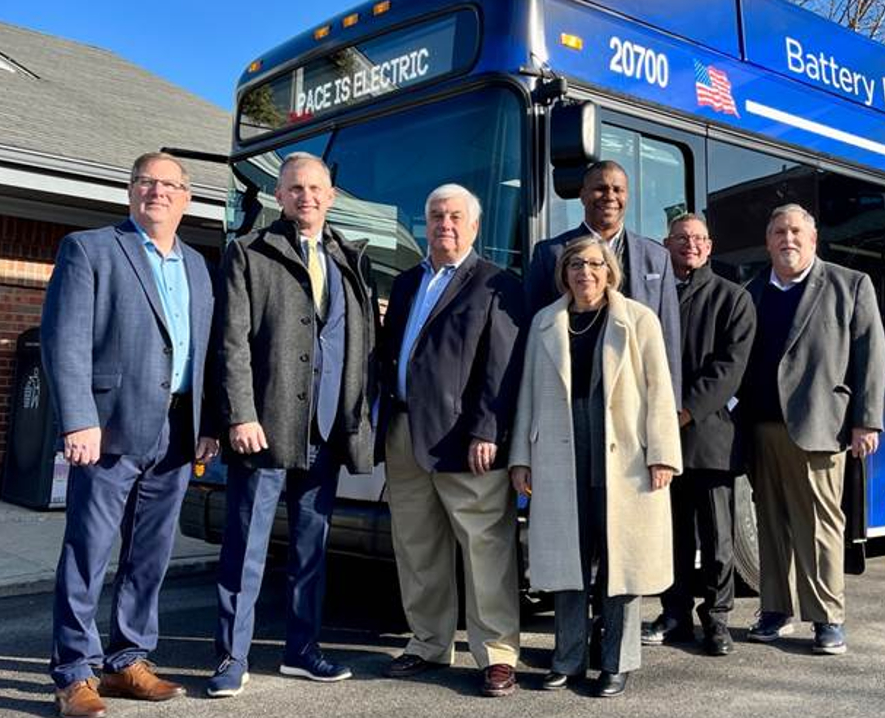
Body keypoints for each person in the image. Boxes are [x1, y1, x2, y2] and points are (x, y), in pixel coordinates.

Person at [41, 152, 218, 718]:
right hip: (108, 428)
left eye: (170, 185)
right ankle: (74, 673)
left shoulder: (197, 265)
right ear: (130, 191)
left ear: (187, 198)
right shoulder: (90, 249)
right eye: (147, 182)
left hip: (178, 429)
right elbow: (64, 339)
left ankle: (127, 662)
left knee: (150, 556)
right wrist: (77, 418)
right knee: (88, 552)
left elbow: (207, 352)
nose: (158, 192)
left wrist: (209, 423)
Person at [208, 152, 377, 697]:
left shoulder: (351, 258)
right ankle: (231, 658)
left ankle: (302, 652)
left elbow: (361, 343)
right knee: (246, 549)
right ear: (279, 197)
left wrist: (357, 416)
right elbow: (230, 341)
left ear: (331, 196)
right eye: (295, 188)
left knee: (312, 550)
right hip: (266, 427)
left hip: (326, 431)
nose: (306, 197)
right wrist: (241, 413)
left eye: (316, 189)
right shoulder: (250, 253)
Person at [509, 237, 681, 698]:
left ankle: (615, 663)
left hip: (624, 456)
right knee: (567, 561)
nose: (585, 271)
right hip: (561, 452)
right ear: (564, 272)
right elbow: (527, 392)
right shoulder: (547, 321)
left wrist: (663, 453)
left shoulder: (637, 319)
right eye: (576, 264)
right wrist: (520, 459)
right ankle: (567, 658)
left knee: (621, 563)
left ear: (610, 271)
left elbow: (660, 390)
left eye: (595, 264)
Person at [377, 184, 525, 697]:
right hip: (404, 431)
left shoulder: (497, 284)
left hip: (466, 439)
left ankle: (498, 653)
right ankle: (428, 642)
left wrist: (488, 428)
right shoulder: (405, 283)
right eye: (436, 215)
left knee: (486, 549)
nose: (445, 224)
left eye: (456, 216)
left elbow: (501, 367)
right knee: (417, 547)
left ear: (474, 226)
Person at [739, 203, 885, 655]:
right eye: (779, 231)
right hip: (761, 426)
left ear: (814, 239)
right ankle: (775, 610)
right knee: (771, 524)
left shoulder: (850, 285)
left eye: (796, 231)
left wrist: (866, 420)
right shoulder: (751, 289)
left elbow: (871, 354)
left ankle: (827, 617)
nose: (788, 239)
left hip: (820, 426)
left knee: (821, 524)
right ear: (768, 242)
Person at [641, 214, 755, 657]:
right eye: (681, 238)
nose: (690, 245)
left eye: (698, 239)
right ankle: (674, 614)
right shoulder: (652, 295)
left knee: (717, 537)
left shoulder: (733, 298)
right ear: (666, 245)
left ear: (710, 247)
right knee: (670, 535)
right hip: (659, 437)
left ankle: (718, 618)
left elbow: (729, 369)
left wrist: (683, 410)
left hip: (709, 438)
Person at [524, 160, 682, 401]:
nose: (610, 196)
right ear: (582, 195)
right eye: (600, 188)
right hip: (570, 393)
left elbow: (668, 338)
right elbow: (534, 330)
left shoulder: (657, 256)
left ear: (627, 196)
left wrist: (670, 406)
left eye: (618, 189)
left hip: (635, 396)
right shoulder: (550, 254)